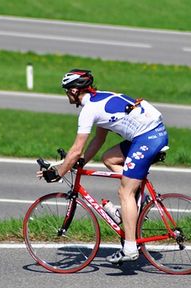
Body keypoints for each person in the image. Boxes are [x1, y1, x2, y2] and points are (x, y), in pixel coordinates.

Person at [38, 69, 169, 264]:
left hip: (147, 138)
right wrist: (82, 162)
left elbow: (75, 150)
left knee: (125, 192)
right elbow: (99, 139)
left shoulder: (88, 110)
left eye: (66, 90)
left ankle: (130, 248)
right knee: (109, 158)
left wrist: (59, 172)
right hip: (149, 134)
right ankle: (137, 194)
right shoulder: (98, 99)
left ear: (74, 90)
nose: (66, 94)